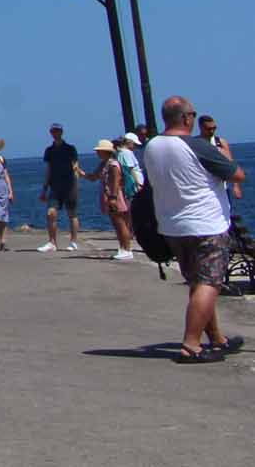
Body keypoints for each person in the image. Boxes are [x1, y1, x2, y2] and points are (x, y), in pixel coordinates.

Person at [143, 96, 247, 364]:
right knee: (209, 283)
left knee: (197, 282)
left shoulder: (152, 146)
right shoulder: (196, 146)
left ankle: (216, 339)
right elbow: (236, 174)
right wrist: (226, 154)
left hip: (172, 226)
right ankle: (190, 345)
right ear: (187, 118)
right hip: (206, 225)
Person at [37, 123, 83, 252]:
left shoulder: (70, 148)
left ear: (62, 132)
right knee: (50, 213)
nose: (55, 133)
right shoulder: (49, 150)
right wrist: (44, 189)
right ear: (50, 132)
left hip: (69, 185)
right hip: (55, 186)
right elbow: (48, 170)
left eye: (58, 131)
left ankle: (73, 241)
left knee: (72, 214)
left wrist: (76, 184)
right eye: (53, 131)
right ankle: (52, 242)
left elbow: (75, 166)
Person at [94, 140, 137, 260]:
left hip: (115, 196)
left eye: (99, 151)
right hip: (110, 196)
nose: (97, 153)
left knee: (121, 223)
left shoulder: (113, 165)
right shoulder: (105, 164)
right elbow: (94, 176)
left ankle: (127, 249)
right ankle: (123, 247)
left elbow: (116, 182)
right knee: (116, 223)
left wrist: (113, 198)